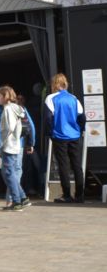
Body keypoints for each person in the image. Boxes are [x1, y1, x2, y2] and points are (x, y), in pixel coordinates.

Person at [45, 73, 86, 203]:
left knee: (63, 165)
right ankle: (80, 195)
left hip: (59, 135)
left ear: (54, 84)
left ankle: (67, 194)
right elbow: (82, 117)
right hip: (74, 135)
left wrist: (50, 133)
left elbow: (48, 118)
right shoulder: (74, 98)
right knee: (77, 165)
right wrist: (80, 130)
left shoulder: (51, 98)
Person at [0, 85, 26, 211]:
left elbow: (8, 128)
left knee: (9, 174)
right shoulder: (17, 108)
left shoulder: (8, 109)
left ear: (5, 97)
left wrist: (0, 143)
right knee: (10, 173)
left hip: (8, 145)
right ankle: (23, 197)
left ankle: (17, 201)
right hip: (15, 145)